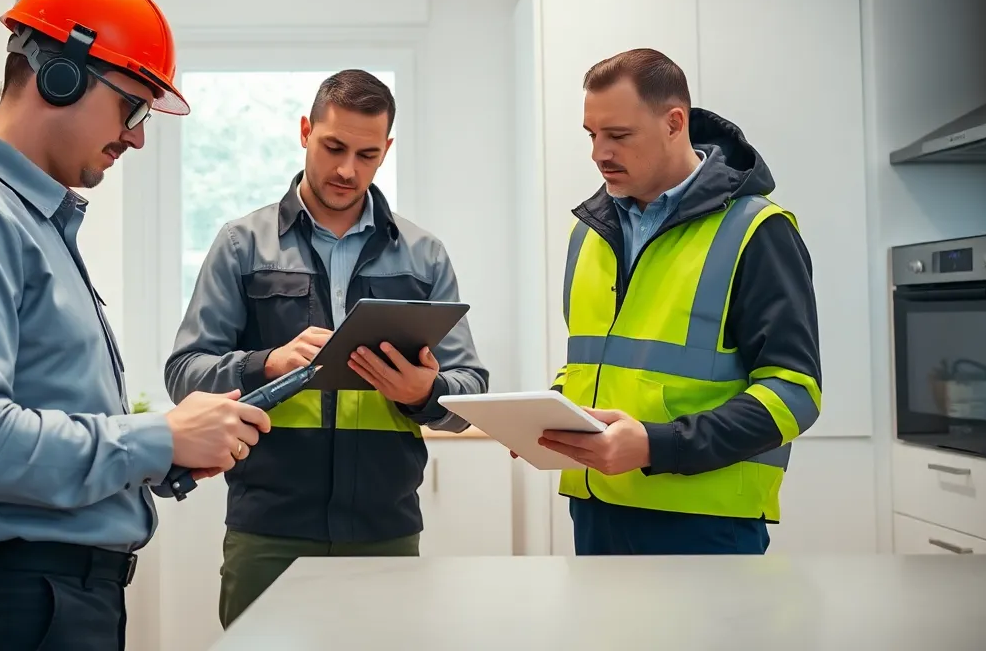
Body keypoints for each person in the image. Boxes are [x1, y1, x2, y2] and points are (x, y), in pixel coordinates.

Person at [0, 0, 271, 650]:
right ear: (62, 76)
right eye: (132, 108)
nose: (137, 138)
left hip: (54, 601)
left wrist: (161, 458)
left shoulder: (28, 221)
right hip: (12, 607)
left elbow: (40, 413)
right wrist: (160, 437)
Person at [164, 69, 489, 627]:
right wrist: (267, 363)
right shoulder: (241, 245)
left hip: (384, 533)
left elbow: (471, 391)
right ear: (304, 131)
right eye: (333, 147)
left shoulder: (424, 256)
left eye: (366, 154)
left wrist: (424, 393)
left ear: (386, 151)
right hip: (268, 532)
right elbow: (184, 373)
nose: (346, 169)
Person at [539, 48, 822, 556]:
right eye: (592, 135)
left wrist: (655, 444)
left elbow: (794, 395)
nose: (598, 153)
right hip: (595, 508)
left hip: (705, 524)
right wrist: (549, 417)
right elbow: (592, 364)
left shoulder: (757, 231)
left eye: (618, 135)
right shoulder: (588, 234)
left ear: (674, 123)